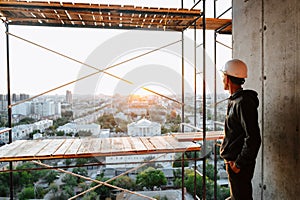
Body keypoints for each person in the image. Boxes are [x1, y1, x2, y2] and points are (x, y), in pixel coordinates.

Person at [220, 59, 261, 200]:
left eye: (223, 76)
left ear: (227, 78)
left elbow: (254, 138)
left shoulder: (243, 103)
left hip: (238, 163)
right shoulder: (236, 100)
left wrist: (239, 163)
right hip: (234, 162)